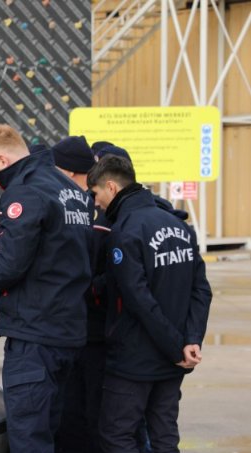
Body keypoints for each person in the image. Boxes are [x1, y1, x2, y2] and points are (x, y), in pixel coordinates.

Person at [0, 124, 93, 453]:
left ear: (3, 159)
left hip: (35, 336)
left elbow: (13, 263)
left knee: (29, 436)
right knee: (59, 432)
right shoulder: (69, 188)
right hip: (69, 330)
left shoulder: (25, 191)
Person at [87, 155, 212, 452]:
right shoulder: (179, 226)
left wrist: (175, 346)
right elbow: (201, 290)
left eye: (95, 194)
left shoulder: (126, 230)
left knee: (115, 435)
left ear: (111, 187)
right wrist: (189, 341)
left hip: (135, 360)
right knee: (165, 436)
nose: (95, 203)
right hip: (174, 359)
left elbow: (138, 299)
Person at [51, 136, 108, 453]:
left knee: (90, 416)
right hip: (73, 330)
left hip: (92, 332)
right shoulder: (75, 205)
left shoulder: (96, 210)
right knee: (72, 413)